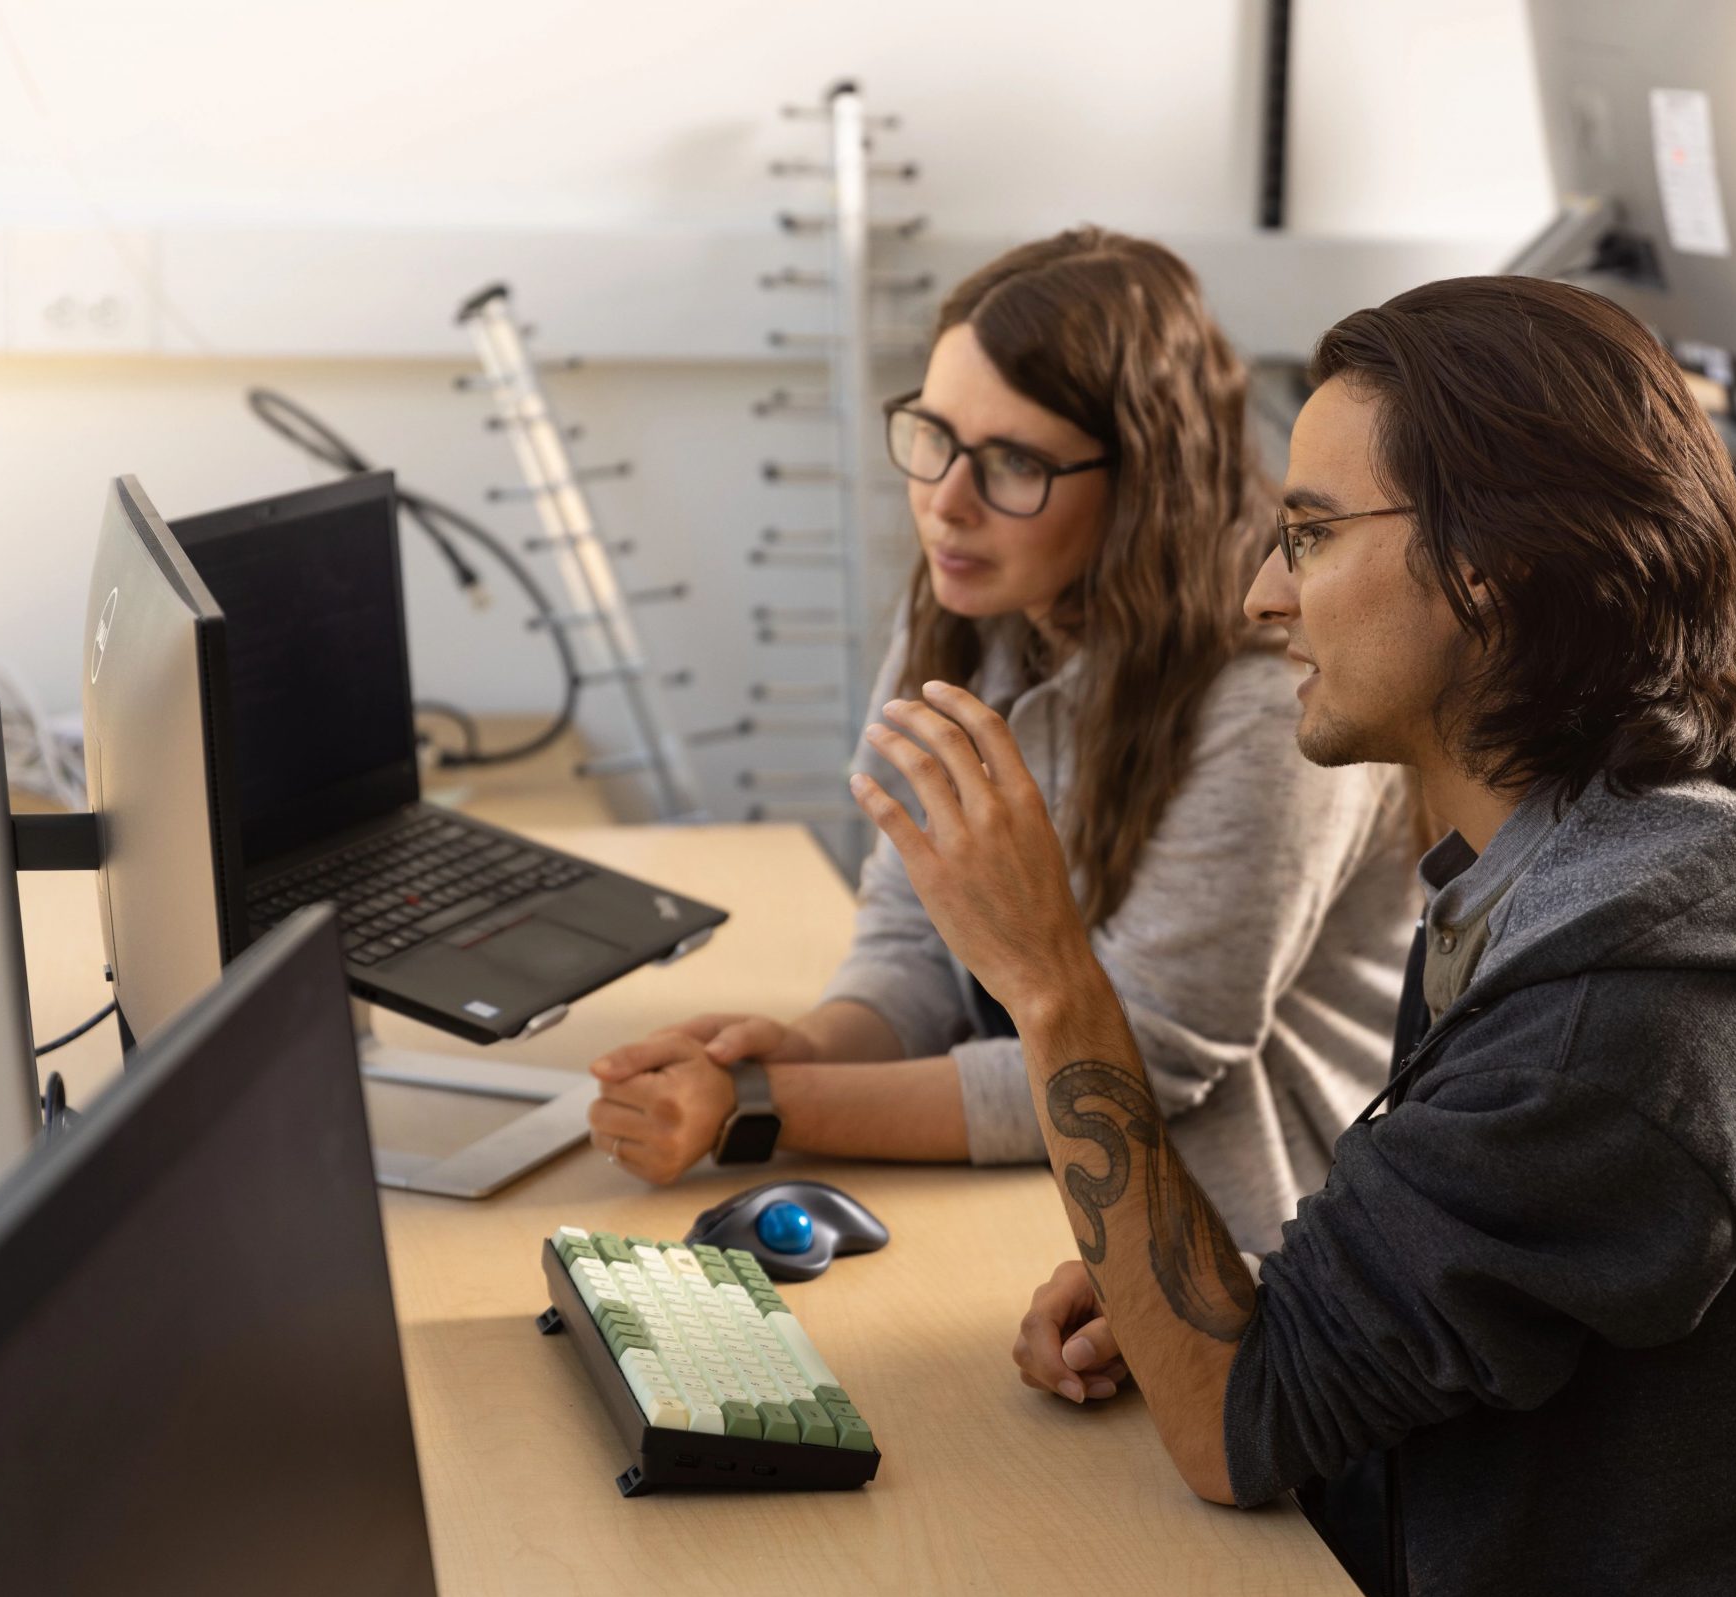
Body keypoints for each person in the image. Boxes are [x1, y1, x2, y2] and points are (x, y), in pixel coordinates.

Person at [846, 275, 1736, 1597]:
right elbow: (1491, 1279)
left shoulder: (1615, 1021)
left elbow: (1231, 1431)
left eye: (1307, 538)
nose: (1259, 595)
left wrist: (1049, 979)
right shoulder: (1593, 864)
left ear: (1492, 571)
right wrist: (1264, 1292)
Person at [585, 228, 1416, 1256]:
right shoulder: (981, 594)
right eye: (932, 435)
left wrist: (765, 1102)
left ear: (1147, 479)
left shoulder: (1264, 691)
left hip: (1237, 1240)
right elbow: (913, 943)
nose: (946, 500)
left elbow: (1140, 1067)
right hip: (1045, 1194)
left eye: (1015, 461)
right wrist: (811, 1047)